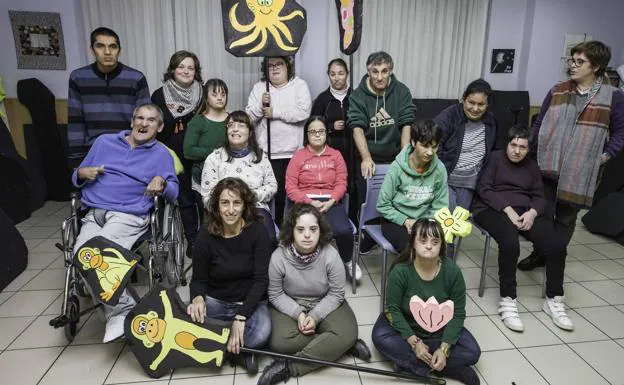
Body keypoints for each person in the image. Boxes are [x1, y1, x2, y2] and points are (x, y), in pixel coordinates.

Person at [71, 103, 179, 343]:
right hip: (93, 212)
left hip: (128, 215)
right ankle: (123, 309)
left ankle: (118, 313)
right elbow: (76, 174)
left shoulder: (161, 153)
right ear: (131, 122)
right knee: (81, 255)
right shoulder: (103, 143)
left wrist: (161, 181)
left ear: (159, 127)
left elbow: (174, 192)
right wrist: (81, 174)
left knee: (97, 255)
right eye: (140, 118)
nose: (144, 123)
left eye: (151, 120)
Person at [519, 41, 624, 271]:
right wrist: (531, 149)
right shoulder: (557, 90)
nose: (573, 65)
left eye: (580, 62)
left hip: (581, 170)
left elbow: (620, 133)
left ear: (595, 66)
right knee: (542, 214)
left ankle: (553, 257)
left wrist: (604, 157)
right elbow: (539, 123)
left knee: (565, 219)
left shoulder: (613, 96)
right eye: (572, 60)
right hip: (547, 164)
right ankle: (539, 253)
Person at [473, 125, 573, 332]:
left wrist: (533, 213)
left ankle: (554, 299)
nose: (517, 151)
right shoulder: (495, 159)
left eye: (522, 147)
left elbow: (539, 196)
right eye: (513, 145)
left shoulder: (532, 167)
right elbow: (484, 189)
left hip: (525, 211)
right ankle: (508, 299)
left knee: (556, 245)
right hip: (492, 209)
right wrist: (507, 209)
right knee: (510, 243)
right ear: (507, 144)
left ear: (528, 149)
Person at [258, 203, 371, 385]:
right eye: (300, 229)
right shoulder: (278, 257)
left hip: (325, 300)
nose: (307, 235)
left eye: (313, 229)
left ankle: (289, 367)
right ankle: (341, 345)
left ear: (321, 230)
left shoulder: (331, 255)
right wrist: (299, 313)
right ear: (291, 231)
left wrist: (315, 316)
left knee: (347, 331)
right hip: (290, 302)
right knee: (281, 342)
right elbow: (275, 294)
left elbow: (336, 293)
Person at [372, 219, 481, 385]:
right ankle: (446, 368)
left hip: (439, 328)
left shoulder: (452, 271)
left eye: (435, 241)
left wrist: (444, 349)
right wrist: (415, 343)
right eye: (423, 240)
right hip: (407, 326)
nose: (429, 246)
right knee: (380, 337)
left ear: (441, 245)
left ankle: (411, 364)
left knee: (473, 351)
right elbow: (392, 309)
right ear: (413, 243)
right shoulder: (400, 271)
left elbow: (458, 313)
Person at [187, 177, 272, 374]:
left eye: (237, 203)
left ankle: (221, 346)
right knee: (191, 316)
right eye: (225, 203)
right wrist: (198, 298)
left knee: (262, 333)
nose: (231, 210)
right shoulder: (205, 235)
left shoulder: (258, 231)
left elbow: (261, 281)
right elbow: (198, 279)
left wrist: (241, 317)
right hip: (217, 300)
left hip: (249, 302)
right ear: (217, 205)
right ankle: (241, 352)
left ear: (245, 206)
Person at [348, 51, 414, 253]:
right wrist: (366, 157)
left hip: (394, 154)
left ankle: (388, 231)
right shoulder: (358, 95)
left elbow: (406, 123)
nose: (379, 77)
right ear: (368, 71)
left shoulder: (401, 91)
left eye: (384, 71)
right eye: (374, 71)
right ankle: (366, 235)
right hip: (369, 156)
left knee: (394, 199)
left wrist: (404, 157)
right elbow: (357, 128)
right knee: (366, 201)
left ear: (390, 71)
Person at [285, 116, 362, 281]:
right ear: (307, 135)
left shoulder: (336, 156)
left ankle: (348, 261)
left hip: (330, 201)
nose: (317, 135)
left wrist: (332, 201)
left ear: (327, 134)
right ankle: (300, 268)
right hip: (305, 201)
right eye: (313, 131)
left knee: (343, 231)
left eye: (321, 131)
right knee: (306, 231)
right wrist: (310, 202)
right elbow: (290, 187)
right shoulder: (298, 156)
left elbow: (342, 183)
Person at [67, 27, 151, 166]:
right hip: (93, 152)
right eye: (100, 46)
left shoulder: (136, 78)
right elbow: (76, 121)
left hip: (129, 151)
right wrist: (77, 163)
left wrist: (144, 155)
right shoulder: (78, 77)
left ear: (119, 50)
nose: (107, 52)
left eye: (113, 46)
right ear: (92, 49)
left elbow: (146, 122)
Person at [434, 78, 497, 256]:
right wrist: (437, 176)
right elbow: (431, 144)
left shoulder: (491, 122)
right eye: (471, 102)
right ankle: (443, 257)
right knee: (446, 219)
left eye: (481, 104)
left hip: (470, 182)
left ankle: (445, 255)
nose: (475, 108)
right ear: (463, 98)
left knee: (457, 222)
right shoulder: (448, 116)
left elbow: (492, 150)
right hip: (446, 179)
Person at [246, 56, 312, 223]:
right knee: (271, 195)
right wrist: (261, 106)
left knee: (291, 194)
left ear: (287, 66)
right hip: (268, 153)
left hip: (293, 153)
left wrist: (275, 112)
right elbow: (248, 117)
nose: (274, 68)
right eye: (270, 66)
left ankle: (291, 229)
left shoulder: (299, 85)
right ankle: (272, 231)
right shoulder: (260, 87)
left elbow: (304, 112)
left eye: (279, 64)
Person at [152, 50, 205, 256]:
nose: (186, 71)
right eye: (181, 66)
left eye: (190, 67)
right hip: (173, 157)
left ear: (196, 71)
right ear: (172, 70)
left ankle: (205, 240)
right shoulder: (159, 95)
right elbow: (154, 127)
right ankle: (192, 241)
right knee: (184, 200)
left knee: (203, 199)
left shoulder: (204, 92)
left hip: (201, 156)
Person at [200, 111, 278, 246]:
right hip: (223, 210)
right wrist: (225, 203)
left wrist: (248, 197)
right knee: (203, 240)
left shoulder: (260, 157)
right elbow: (207, 194)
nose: (235, 129)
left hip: (255, 207)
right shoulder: (214, 158)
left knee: (269, 238)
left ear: (250, 132)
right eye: (230, 125)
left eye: (241, 125)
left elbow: (272, 185)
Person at [377, 120, 449, 253]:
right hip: (396, 220)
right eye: (425, 146)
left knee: (445, 246)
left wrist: (424, 223)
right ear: (413, 142)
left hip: (426, 220)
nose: (430, 152)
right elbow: (383, 205)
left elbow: (440, 206)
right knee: (411, 249)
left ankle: (437, 274)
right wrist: (405, 221)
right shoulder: (396, 167)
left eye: (434, 147)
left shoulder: (440, 169)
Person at [184, 78, 229, 223]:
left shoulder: (232, 120)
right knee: (208, 220)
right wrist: (216, 152)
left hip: (229, 175)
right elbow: (188, 150)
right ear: (206, 98)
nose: (220, 97)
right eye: (215, 94)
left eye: (223, 94)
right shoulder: (198, 121)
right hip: (202, 176)